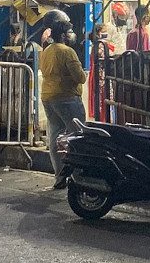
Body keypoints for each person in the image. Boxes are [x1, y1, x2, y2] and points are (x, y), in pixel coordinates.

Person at [39, 17, 87, 189]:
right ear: (63, 35)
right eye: (69, 32)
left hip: (48, 97)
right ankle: (80, 177)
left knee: (54, 137)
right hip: (67, 98)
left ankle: (59, 177)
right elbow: (80, 77)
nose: (72, 35)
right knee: (79, 135)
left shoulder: (46, 50)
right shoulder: (67, 52)